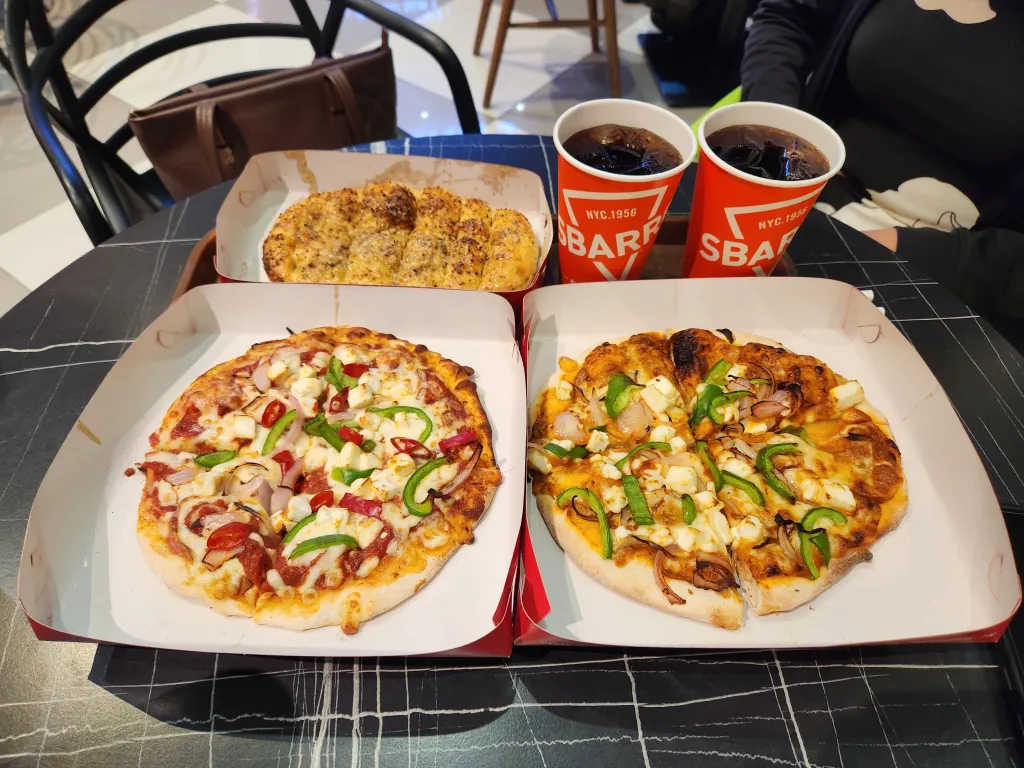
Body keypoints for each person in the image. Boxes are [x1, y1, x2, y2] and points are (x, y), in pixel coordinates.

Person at [740, 0, 1024, 319]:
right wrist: (776, 133)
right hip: (799, 188)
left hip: (952, 272)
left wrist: (907, 250)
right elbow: (788, 16)